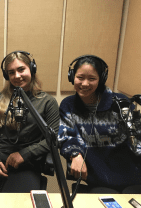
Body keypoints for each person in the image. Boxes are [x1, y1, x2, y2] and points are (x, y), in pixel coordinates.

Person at [0, 51, 59, 192]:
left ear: (31, 69)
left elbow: (53, 139)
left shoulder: (48, 102)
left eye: (21, 70)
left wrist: (24, 154)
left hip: (27, 163)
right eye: (11, 72)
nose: (17, 76)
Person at [58, 55, 141, 194]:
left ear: (101, 79)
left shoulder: (121, 103)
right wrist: (75, 154)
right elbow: (65, 135)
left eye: (92, 79)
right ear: (72, 77)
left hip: (131, 175)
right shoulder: (68, 104)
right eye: (80, 77)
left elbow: (137, 137)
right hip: (98, 179)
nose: (85, 84)